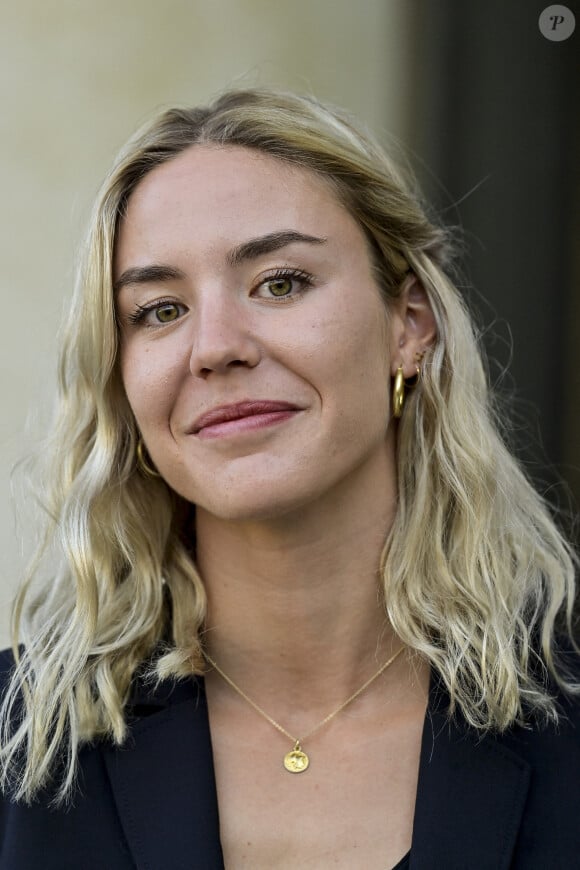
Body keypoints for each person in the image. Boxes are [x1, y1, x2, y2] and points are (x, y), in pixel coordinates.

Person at [0, 88, 578, 870]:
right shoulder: (21, 743)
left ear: (409, 325)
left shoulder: (564, 722)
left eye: (280, 283)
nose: (215, 347)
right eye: (161, 310)